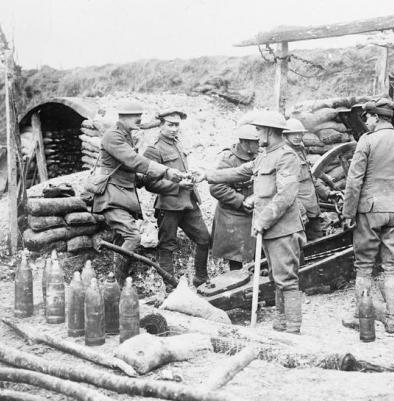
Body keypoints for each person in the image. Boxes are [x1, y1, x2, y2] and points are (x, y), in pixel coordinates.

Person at [193, 110, 306, 334]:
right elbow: (239, 172)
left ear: (270, 132)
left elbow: (285, 196)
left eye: (259, 130)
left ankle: (292, 326)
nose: (256, 134)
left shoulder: (287, 156)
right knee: (276, 277)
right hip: (269, 229)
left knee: (287, 279)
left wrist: (262, 220)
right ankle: (281, 321)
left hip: (282, 229)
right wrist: (207, 175)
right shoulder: (264, 156)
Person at [342, 97, 394, 333]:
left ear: (376, 117)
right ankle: (391, 318)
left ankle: (362, 315)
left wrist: (349, 212)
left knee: (364, 266)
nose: (366, 121)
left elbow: (354, 181)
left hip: (370, 211)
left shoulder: (367, 141)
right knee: (392, 266)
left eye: (367, 117)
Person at [92, 100, 184, 286]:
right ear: (124, 117)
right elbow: (133, 160)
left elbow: (131, 172)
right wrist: (165, 171)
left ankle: (123, 281)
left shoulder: (126, 136)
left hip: (124, 195)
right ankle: (114, 284)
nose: (140, 120)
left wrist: (159, 179)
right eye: (136, 116)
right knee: (133, 237)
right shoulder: (113, 137)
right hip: (111, 196)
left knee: (121, 241)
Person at [143, 109, 211, 290]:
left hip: (189, 203)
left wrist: (190, 177)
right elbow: (149, 184)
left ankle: (200, 279)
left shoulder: (177, 144)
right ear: (160, 124)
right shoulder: (154, 149)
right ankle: (170, 287)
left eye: (177, 125)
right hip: (169, 205)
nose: (174, 129)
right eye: (170, 125)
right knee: (167, 246)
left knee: (204, 239)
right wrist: (177, 186)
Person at [209, 124, 260, 270]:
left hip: (253, 212)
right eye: (255, 142)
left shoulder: (259, 156)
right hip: (232, 215)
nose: (259, 145)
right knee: (235, 256)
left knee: (259, 253)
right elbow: (216, 187)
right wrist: (240, 200)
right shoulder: (229, 160)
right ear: (244, 143)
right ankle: (236, 284)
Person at [283, 118, 341, 240]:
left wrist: (326, 193)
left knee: (318, 242)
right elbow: (286, 190)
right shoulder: (285, 155)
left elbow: (310, 178)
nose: (297, 136)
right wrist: (301, 211)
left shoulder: (300, 150)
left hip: (311, 209)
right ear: (285, 134)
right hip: (299, 214)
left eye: (299, 133)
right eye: (293, 133)